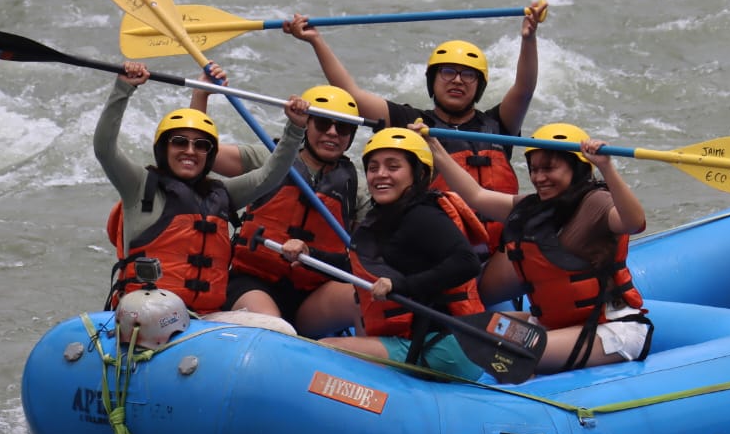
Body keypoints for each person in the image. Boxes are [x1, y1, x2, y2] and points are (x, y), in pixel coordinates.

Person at [283, 1, 548, 249]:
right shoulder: (410, 122)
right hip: (437, 250)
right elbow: (352, 94)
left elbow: (524, 89)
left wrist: (529, 38)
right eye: (447, 72)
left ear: (479, 86)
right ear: (432, 80)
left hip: (497, 250)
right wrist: (316, 41)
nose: (457, 80)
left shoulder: (498, 124)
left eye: (468, 75)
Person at [419, 121, 652, 372]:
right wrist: (433, 146)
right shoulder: (534, 208)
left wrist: (606, 167)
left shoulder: (597, 203)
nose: (539, 178)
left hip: (610, 329)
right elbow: (476, 196)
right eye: (534, 169)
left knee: (507, 353)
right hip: (553, 325)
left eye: (549, 169)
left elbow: (634, 222)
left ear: (576, 168)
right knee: (466, 331)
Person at [93, 60, 308, 314]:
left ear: (209, 154)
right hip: (148, 312)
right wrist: (123, 88)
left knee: (277, 327)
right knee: (159, 318)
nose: (190, 151)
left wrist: (295, 128)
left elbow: (269, 176)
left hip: (205, 320)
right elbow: (104, 148)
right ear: (163, 149)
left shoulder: (222, 194)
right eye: (179, 142)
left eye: (201, 145)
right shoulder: (138, 186)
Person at [279, 128, 485, 380]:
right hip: (419, 339)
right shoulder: (386, 216)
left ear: (419, 174)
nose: (380, 174)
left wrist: (402, 285)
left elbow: (467, 263)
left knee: (326, 351)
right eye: (373, 168)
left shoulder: (423, 215)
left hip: (443, 346)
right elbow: (358, 267)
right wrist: (309, 255)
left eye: (393, 166)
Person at [187, 81, 370, 337]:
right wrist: (201, 95)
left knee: (364, 297)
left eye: (343, 127)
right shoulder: (269, 158)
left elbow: (362, 258)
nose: (332, 133)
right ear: (306, 124)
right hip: (254, 282)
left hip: (313, 295)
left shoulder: (358, 189)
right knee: (275, 326)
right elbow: (200, 155)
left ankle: (359, 358)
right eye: (322, 124)